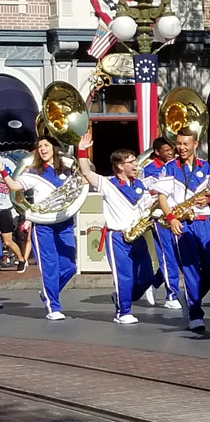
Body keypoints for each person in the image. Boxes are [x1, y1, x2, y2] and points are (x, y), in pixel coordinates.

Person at [76, 133, 163, 324]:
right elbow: (87, 172)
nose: (135, 164)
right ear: (120, 166)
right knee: (125, 277)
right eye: (131, 161)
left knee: (147, 276)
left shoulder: (139, 184)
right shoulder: (108, 184)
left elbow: (149, 206)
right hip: (117, 237)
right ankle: (123, 312)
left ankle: (124, 300)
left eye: (135, 160)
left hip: (138, 236)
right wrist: (81, 150)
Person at [0, 136, 79, 319]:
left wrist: (81, 151)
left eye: (46, 145)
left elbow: (82, 180)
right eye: (39, 146)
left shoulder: (67, 171)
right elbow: (13, 186)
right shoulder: (33, 173)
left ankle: (47, 292)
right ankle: (53, 307)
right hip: (43, 226)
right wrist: (3, 171)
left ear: (54, 148)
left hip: (64, 223)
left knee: (69, 267)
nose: (42, 148)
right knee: (50, 265)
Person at [152, 129, 210, 332]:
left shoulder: (205, 166)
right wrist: (171, 219)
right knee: (190, 269)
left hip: (202, 221)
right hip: (181, 222)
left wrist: (207, 198)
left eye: (185, 144)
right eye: (179, 144)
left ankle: (190, 297)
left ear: (195, 144)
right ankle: (195, 314)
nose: (181, 148)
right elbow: (161, 197)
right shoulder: (170, 168)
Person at [141, 137, 181, 309]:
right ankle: (171, 295)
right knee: (168, 256)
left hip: (178, 215)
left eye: (172, 149)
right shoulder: (150, 170)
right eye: (167, 150)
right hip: (160, 216)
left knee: (178, 257)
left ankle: (154, 282)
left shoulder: (177, 166)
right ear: (157, 152)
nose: (171, 152)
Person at [0, 150, 27, 273]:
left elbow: (13, 182)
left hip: (4, 208)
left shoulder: (8, 163)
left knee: (7, 241)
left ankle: (21, 259)